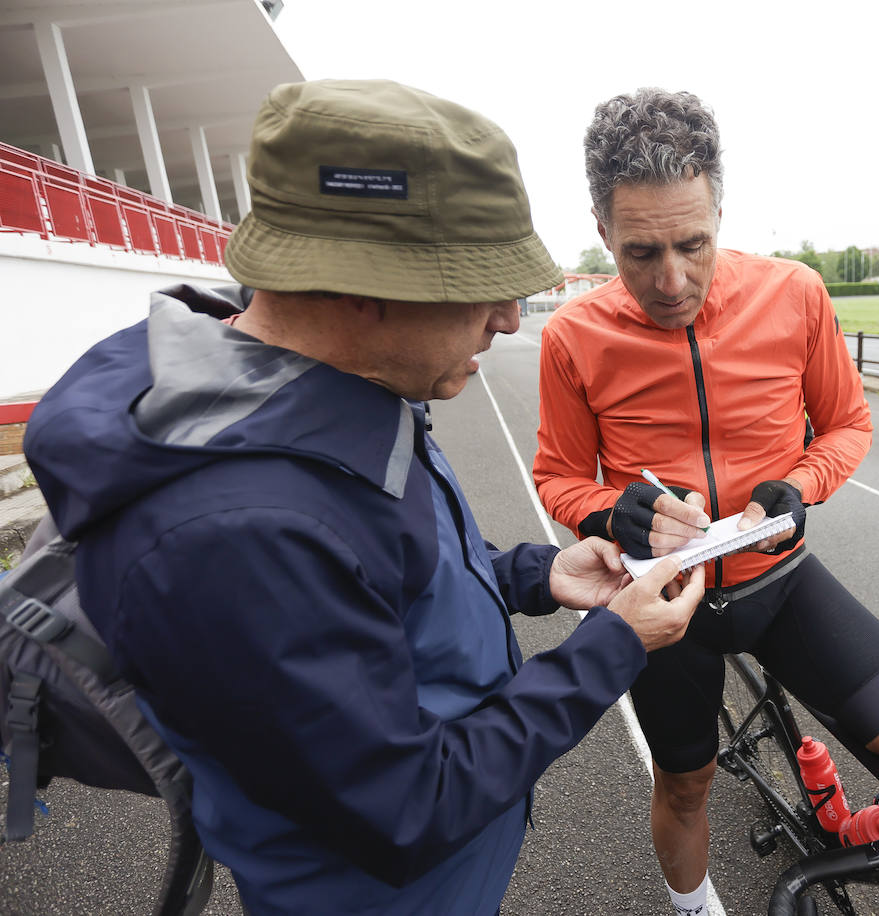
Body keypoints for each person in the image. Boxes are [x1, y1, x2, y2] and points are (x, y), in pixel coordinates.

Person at [20, 79, 705, 916]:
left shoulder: (325, 380)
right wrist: (614, 645)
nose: (508, 318)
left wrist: (536, 573)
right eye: (478, 285)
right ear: (358, 288)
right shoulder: (236, 532)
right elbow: (406, 806)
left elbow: (381, 579)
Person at [532, 88, 879, 916]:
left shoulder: (794, 293)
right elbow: (557, 476)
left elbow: (846, 424)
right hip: (666, 607)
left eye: (693, 243)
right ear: (602, 232)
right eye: (640, 253)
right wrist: (608, 514)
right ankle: (697, 908)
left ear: (719, 212)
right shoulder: (573, 335)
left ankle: (860, 831)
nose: (671, 280)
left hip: (780, 580)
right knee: (688, 787)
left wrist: (801, 485)